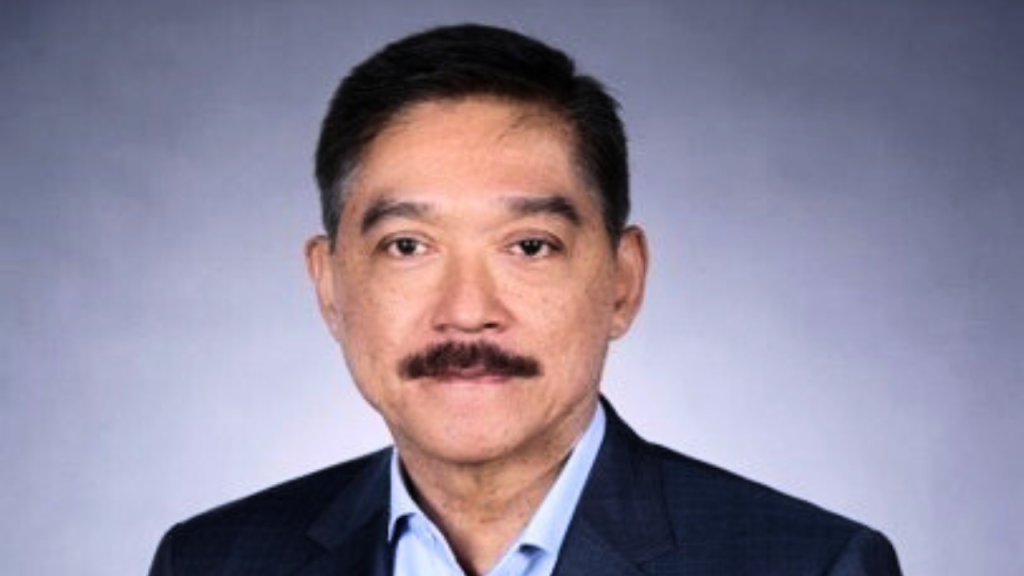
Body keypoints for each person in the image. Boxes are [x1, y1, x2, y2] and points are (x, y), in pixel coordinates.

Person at [149, 23, 902, 576]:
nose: (466, 310)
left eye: (529, 246)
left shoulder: (812, 567)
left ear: (623, 282)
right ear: (329, 288)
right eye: (408, 245)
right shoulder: (212, 562)